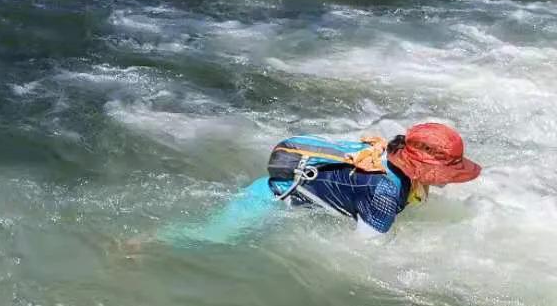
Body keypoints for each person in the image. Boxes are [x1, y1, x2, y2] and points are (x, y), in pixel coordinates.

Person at [166, 123, 481, 244]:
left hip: (283, 194)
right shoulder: (384, 191)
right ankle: (144, 243)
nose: (450, 181)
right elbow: (363, 252)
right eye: (448, 173)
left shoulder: (386, 153)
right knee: (205, 239)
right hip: (269, 201)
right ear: (421, 166)